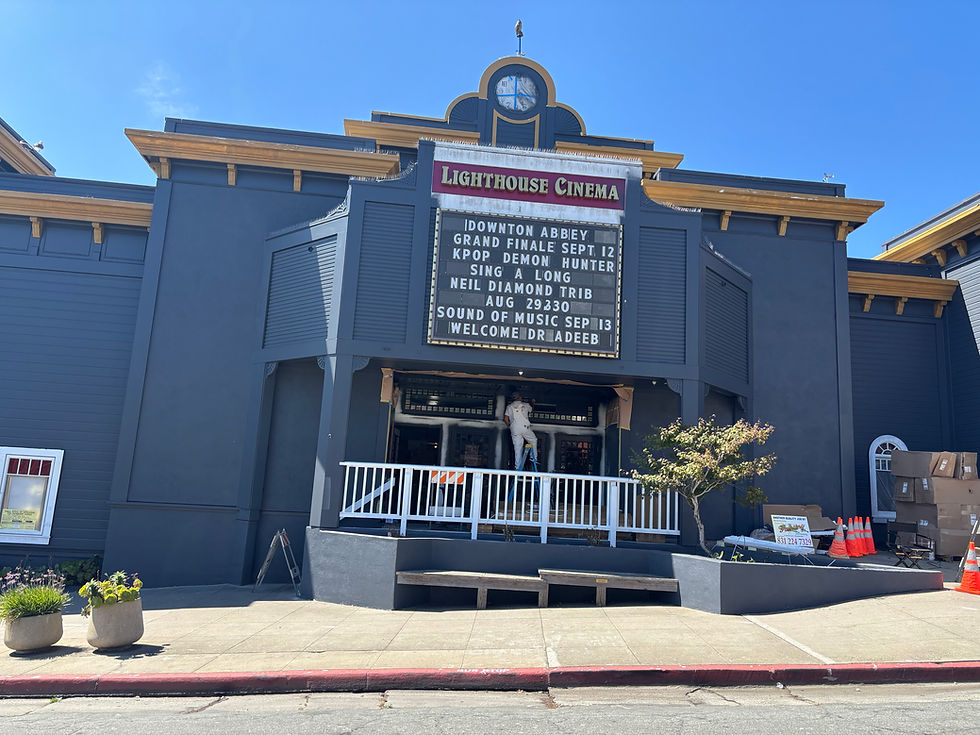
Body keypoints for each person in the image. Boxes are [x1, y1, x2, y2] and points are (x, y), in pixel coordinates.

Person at [504, 391, 537, 469]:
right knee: (533, 440)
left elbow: (505, 419)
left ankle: (517, 466)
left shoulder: (509, 407)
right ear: (520, 398)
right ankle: (533, 457)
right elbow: (531, 409)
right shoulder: (525, 405)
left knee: (517, 448)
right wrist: (532, 402)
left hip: (514, 429)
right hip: (524, 427)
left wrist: (510, 426)